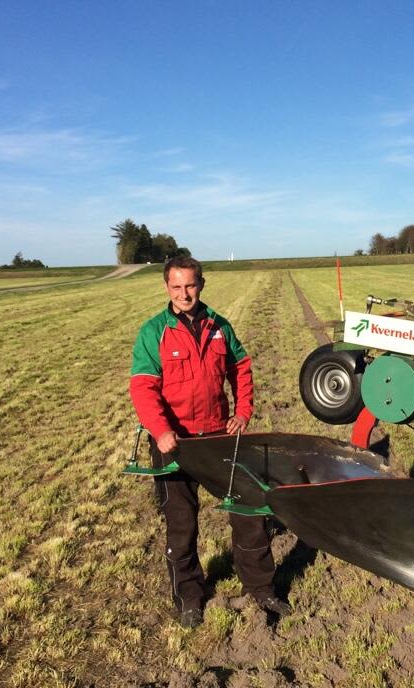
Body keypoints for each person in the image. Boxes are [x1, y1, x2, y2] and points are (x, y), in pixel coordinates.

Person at [129, 255, 290, 628]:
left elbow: (241, 369)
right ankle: (189, 596)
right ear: (167, 288)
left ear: (201, 284)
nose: (184, 294)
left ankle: (261, 589)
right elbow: (143, 388)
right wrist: (160, 429)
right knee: (181, 522)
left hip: (219, 436)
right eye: (176, 287)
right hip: (176, 443)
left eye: (190, 285)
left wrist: (243, 412)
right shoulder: (154, 332)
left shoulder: (219, 326)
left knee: (250, 509)